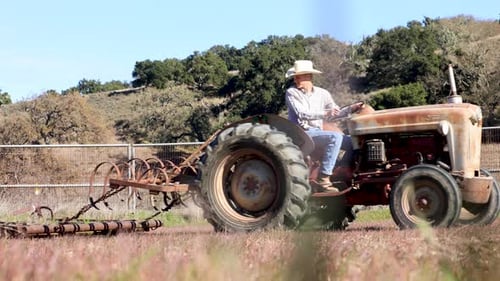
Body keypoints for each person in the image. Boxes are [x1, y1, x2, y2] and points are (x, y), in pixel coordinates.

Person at [285, 60, 361, 192]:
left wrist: (351, 108)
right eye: (295, 77)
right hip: (301, 134)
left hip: (316, 132)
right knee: (335, 137)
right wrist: (326, 113)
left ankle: (342, 171)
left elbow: (335, 113)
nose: (295, 79)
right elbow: (302, 113)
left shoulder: (322, 93)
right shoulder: (292, 93)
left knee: (352, 141)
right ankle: (323, 178)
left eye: (298, 76)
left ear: (309, 76)